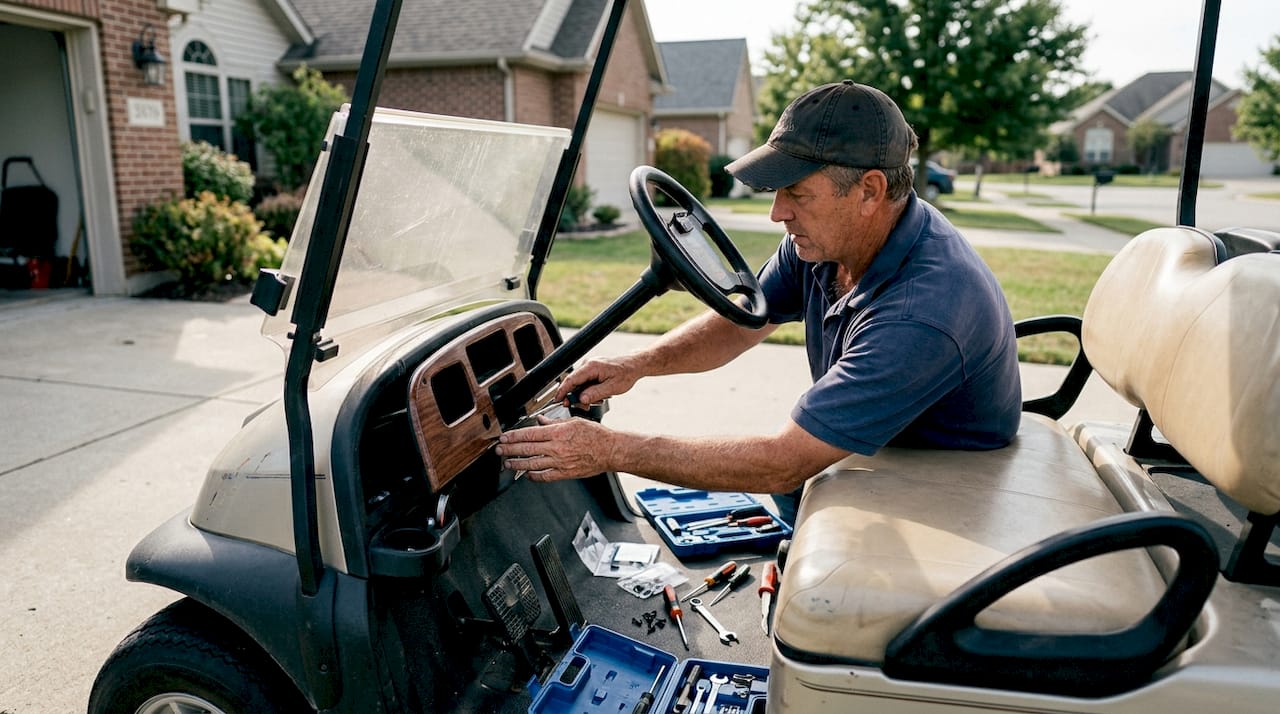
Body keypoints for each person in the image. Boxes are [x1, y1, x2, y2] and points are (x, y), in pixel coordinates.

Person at [496, 80, 1022, 525]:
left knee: (791, 478)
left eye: (796, 193)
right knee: (793, 482)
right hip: (890, 439)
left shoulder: (923, 312)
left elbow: (782, 461)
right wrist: (637, 364)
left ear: (869, 190)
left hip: (940, 474)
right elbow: (744, 321)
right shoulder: (831, 241)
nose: (777, 214)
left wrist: (608, 450)